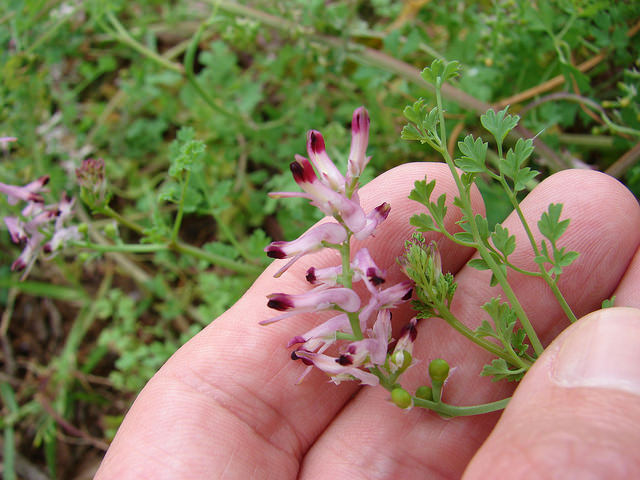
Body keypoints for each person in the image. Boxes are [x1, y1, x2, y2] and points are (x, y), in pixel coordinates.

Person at [95, 163, 640, 479]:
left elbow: (371, 290)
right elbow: (341, 300)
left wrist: (375, 307)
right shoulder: (339, 290)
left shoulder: (361, 272)